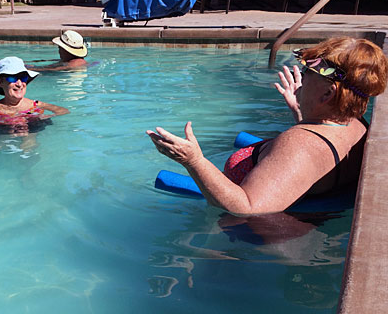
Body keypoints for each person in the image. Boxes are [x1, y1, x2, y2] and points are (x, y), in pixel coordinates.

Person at [147, 37, 387, 215]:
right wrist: (302, 114)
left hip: (244, 237)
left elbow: (246, 208)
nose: (301, 76)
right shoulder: (357, 125)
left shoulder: (299, 145)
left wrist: (193, 161)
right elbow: (317, 157)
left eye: (307, 71)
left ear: (327, 93)